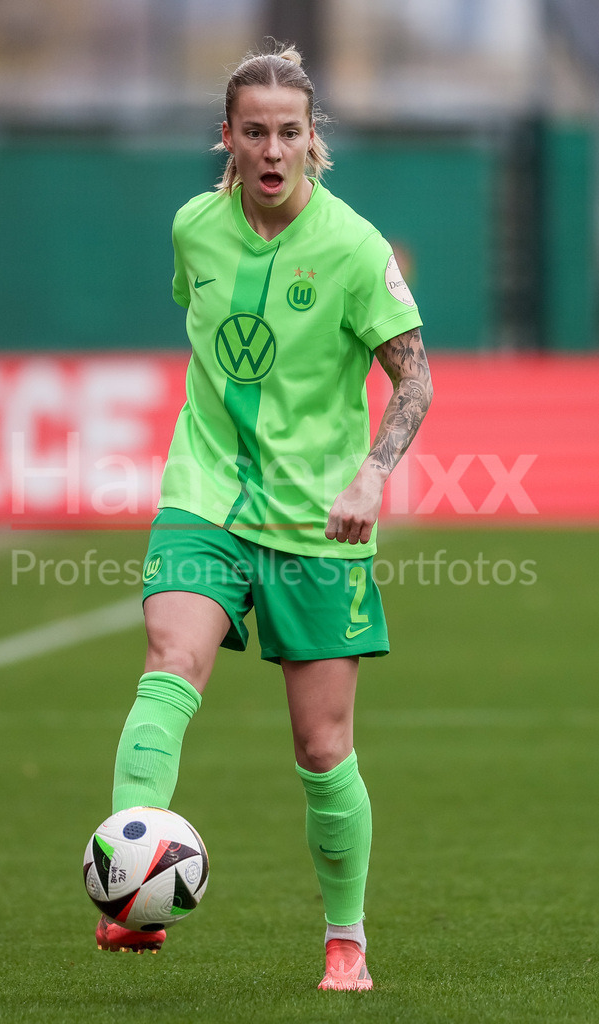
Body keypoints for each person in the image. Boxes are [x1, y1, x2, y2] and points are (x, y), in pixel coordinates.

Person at [94, 41, 433, 992]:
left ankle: (346, 938)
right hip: (203, 494)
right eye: (256, 132)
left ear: (312, 139)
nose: (274, 148)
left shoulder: (355, 248)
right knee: (169, 665)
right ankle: (129, 898)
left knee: (322, 749)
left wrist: (370, 475)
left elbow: (415, 378)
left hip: (316, 522)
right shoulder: (193, 230)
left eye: (291, 131)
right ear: (229, 141)